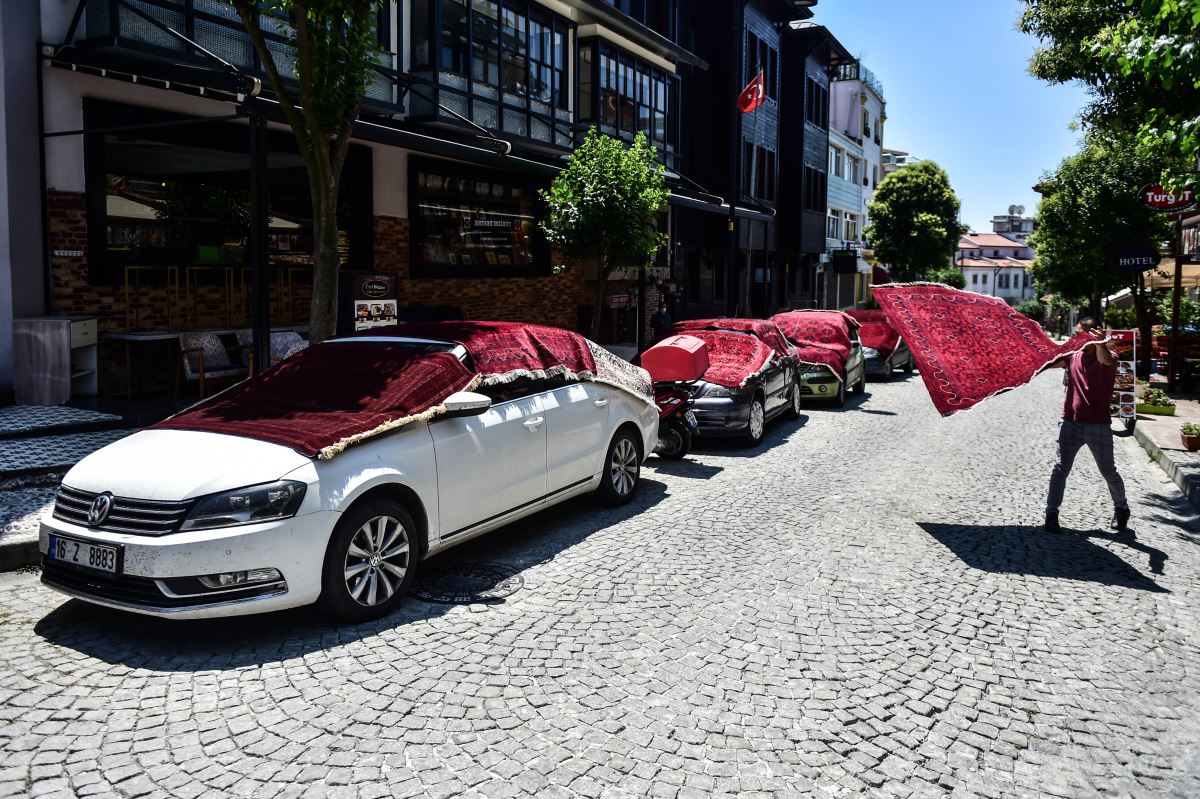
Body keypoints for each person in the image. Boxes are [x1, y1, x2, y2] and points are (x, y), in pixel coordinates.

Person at [1044, 317, 1129, 534]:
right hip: (1070, 422)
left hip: (1098, 425)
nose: (1078, 337)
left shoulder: (1108, 356)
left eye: (1082, 334)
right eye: (1077, 333)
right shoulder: (1073, 356)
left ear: (1094, 336)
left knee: (1108, 471)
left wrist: (1100, 343)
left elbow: (1106, 360)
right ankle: (1051, 513)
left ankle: (1121, 508)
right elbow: (1048, 363)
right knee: (1060, 468)